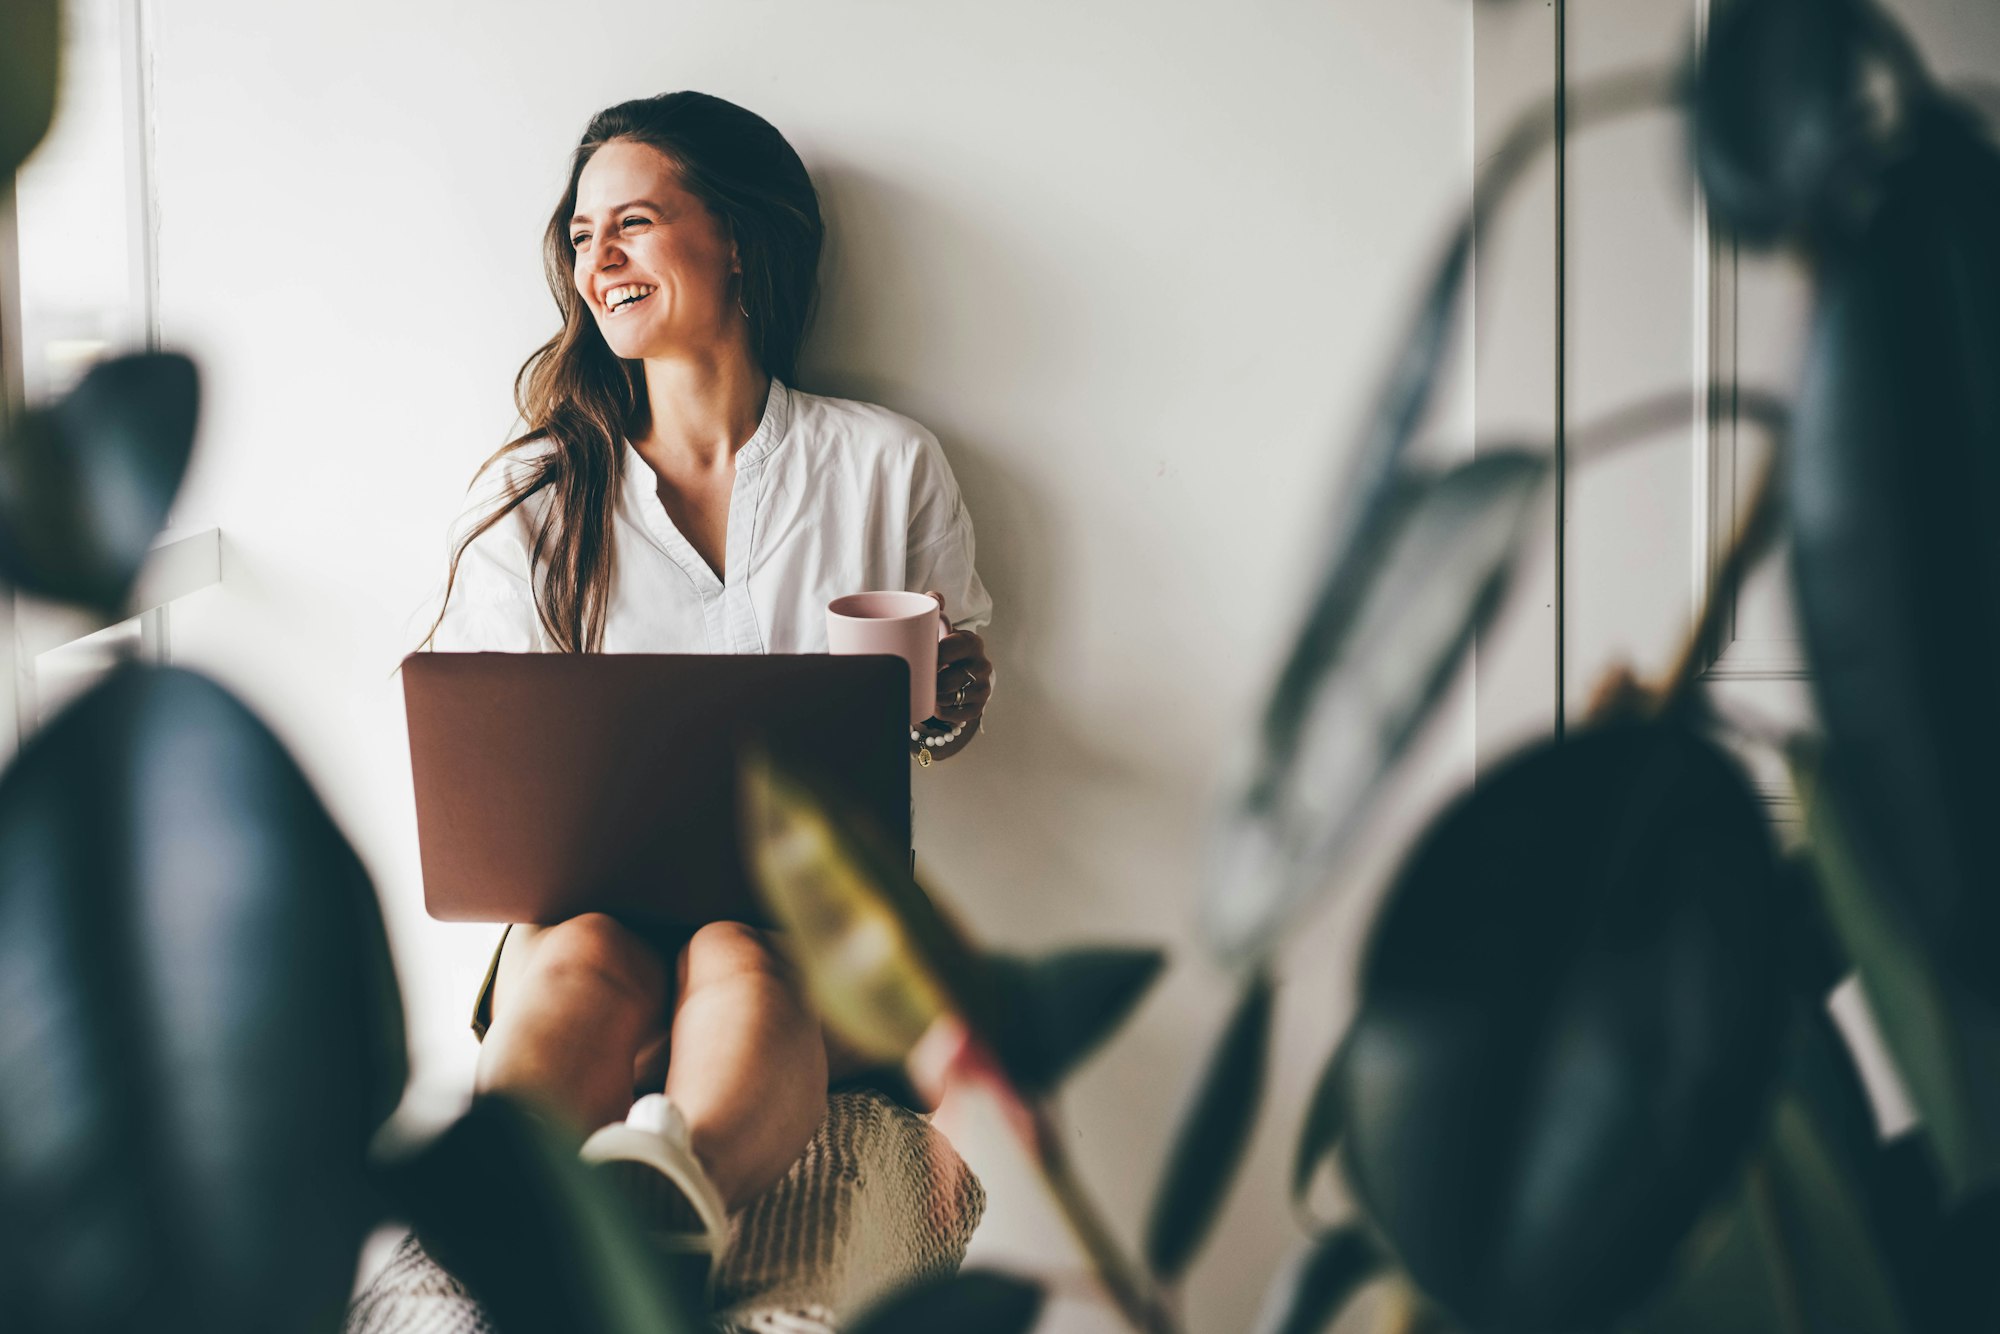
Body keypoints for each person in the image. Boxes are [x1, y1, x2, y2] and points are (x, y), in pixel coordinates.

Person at [421, 91, 993, 1266]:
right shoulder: (533, 493)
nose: (600, 260)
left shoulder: (884, 464)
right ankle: (505, 1214)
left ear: (737, 239)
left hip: (806, 920)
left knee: (743, 948)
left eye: (634, 221)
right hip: (586, 919)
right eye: (582, 236)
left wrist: (943, 705)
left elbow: (941, 703)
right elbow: (490, 751)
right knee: (580, 953)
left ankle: (677, 1202)